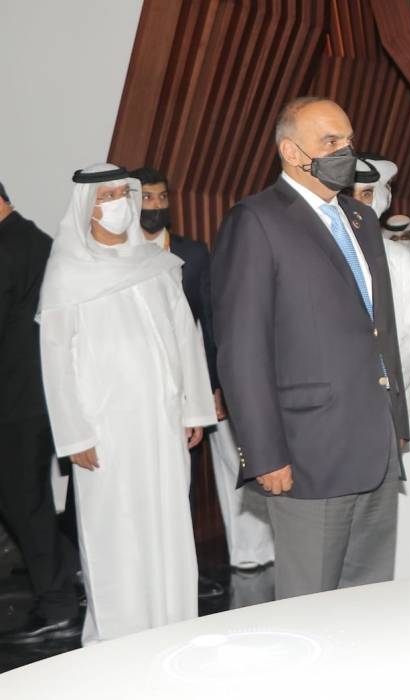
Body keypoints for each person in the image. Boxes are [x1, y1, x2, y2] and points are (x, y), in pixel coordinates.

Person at [212, 97, 409, 598]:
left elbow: (379, 329)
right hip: (308, 450)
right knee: (311, 602)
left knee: (370, 598)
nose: (346, 151)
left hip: (376, 443)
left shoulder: (361, 220)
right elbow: (242, 349)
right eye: (331, 142)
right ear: (291, 151)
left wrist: (397, 424)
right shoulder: (256, 220)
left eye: (349, 140)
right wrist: (264, 453)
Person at [38, 164, 216, 644]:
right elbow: (55, 361)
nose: (118, 203)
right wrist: (74, 434)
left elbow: (186, 337)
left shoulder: (156, 264)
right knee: (114, 531)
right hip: (105, 432)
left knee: (167, 524)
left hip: (162, 424)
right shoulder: (67, 273)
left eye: (122, 193)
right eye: (106, 196)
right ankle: (117, 638)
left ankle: (173, 624)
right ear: (87, 207)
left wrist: (193, 409)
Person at [131, 166, 274, 574]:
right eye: (147, 198)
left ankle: (247, 552)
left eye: (162, 197)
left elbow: (210, 320)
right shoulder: (120, 256)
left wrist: (215, 383)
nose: (155, 206)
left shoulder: (191, 253)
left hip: (198, 377)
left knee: (230, 462)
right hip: (146, 385)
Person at [0, 181, 80, 643]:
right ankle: (65, 577)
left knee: (24, 504)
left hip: (13, 401)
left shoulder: (7, 247)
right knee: (26, 501)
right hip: (37, 396)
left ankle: (57, 605)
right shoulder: (37, 240)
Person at [354, 155, 410, 578]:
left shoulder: (399, 259)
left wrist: (379, 378)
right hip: (338, 409)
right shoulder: (316, 254)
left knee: (403, 502)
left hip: (391, 400)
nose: (359, 203)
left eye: (368, 194)